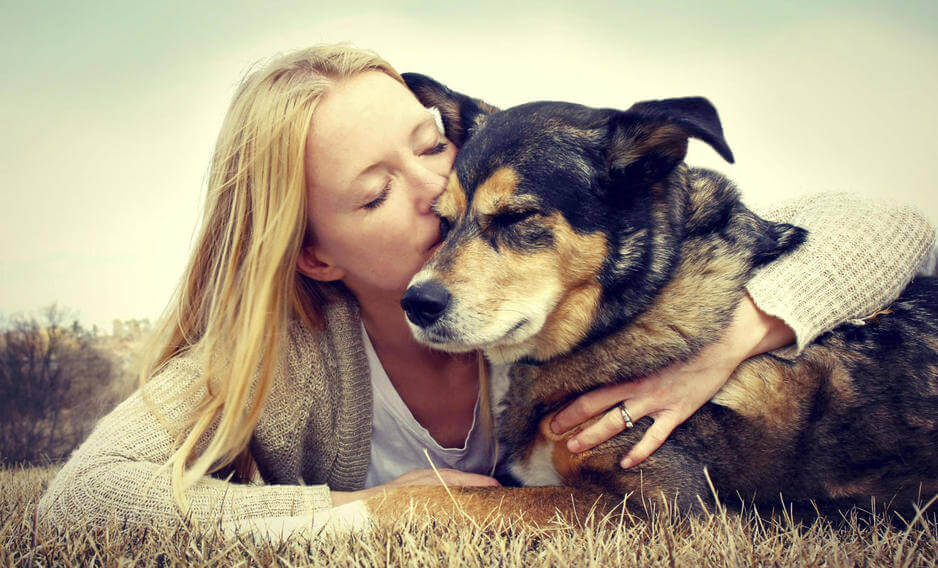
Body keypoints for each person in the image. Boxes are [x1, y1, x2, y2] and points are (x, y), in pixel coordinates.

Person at [37, 44, 934, 534]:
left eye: (429, 147)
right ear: (315, 255)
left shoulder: (558, 300)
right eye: (375, 192)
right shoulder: (292, 357)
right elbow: (82, 500)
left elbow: (887, 227)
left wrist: (736, 340)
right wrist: (373, 511)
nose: (438, 191)